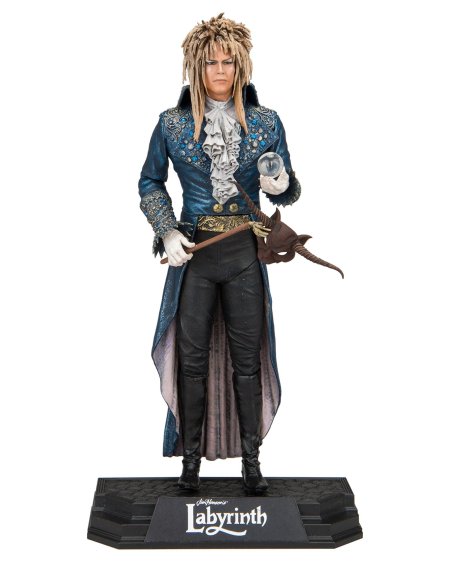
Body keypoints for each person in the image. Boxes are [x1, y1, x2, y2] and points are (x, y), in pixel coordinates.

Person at [138, 13, 301, 493]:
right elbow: (150, 181)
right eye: (212, 62)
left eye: (229, 62)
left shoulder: (266, 122)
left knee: (247, 363)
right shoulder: (171, 124)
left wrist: (280, 182)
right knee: (191, 364)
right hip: (196, 256)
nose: (221, 71)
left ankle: (252, 464)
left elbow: (285, 187)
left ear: (241, 65)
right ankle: (190, 465)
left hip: (245, 255)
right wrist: (167, 230)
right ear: (196, 66)